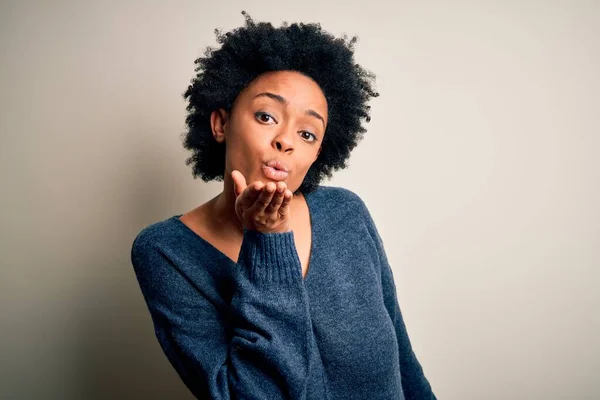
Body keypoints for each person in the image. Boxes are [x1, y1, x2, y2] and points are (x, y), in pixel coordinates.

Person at [130, 11, 437, 400]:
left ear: (317, 153)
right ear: (221, 124)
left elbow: (404, 366)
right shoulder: (166, 252)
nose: (285, 141)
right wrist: (267, 239)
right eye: (266, 116)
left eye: (307, 133)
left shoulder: (345, 214)